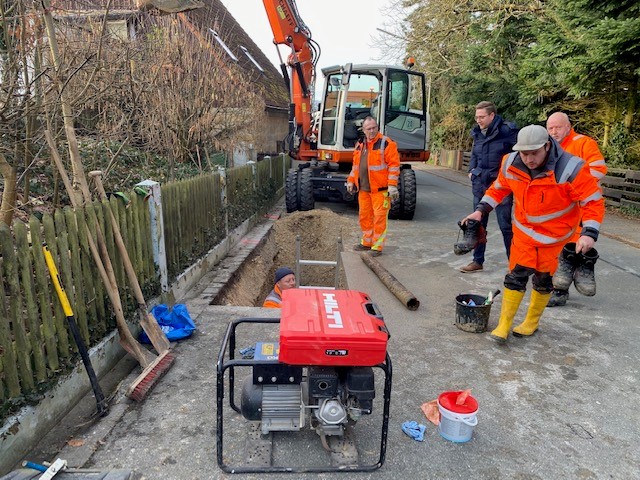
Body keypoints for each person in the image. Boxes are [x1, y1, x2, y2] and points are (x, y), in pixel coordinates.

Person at [461, 125, 604, 343]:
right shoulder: (510, 163)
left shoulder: (571, 168)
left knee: (544, 280)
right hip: (524, 236)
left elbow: (592, 201)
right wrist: (480, 211)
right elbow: (498, 188)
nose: (528, 159)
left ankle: (531, 322)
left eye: (534, 153)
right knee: (515, 278)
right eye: (524, 153)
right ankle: (504, 325)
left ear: (547, 146)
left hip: (556, 239)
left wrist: (589, 233)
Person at [545, 112, 608, 307]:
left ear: (568, 126)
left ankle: (562, 288)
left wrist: (576, 186)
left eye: (558, 127)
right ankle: (555, 287)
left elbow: (599, 169)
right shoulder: (549, 147)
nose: (554, 132)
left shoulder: (583, 143)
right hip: (559, 208)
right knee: (555, 248)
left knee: (573, 248)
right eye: (550, 128)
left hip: (581, 205)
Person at [462, 101, 519, 273]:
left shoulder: (508, 132)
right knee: (478, 225)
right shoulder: (478, 133)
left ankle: (515, 265)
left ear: (492, 115)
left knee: (506, 226)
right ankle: (477, 261)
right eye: (476, 116)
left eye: (481, 117)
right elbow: (474, 153)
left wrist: (512, 176)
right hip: (480, 184)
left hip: (501, 186)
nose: (478, 120)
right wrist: (471, 170)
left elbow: (520, 154)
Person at [346, 116, 400, 257]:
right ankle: (367, 242)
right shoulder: (360, 144)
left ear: (378, 127)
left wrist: (392, 186)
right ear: (363, 130)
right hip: (364, 190)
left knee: (379, 219)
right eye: (368, 129)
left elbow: (394, 166)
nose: (372, 131)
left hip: (380, 191)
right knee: (365, 217)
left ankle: (377, 246)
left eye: (374, 128)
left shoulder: (386, 143)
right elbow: (355, 166)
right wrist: (351, 180)